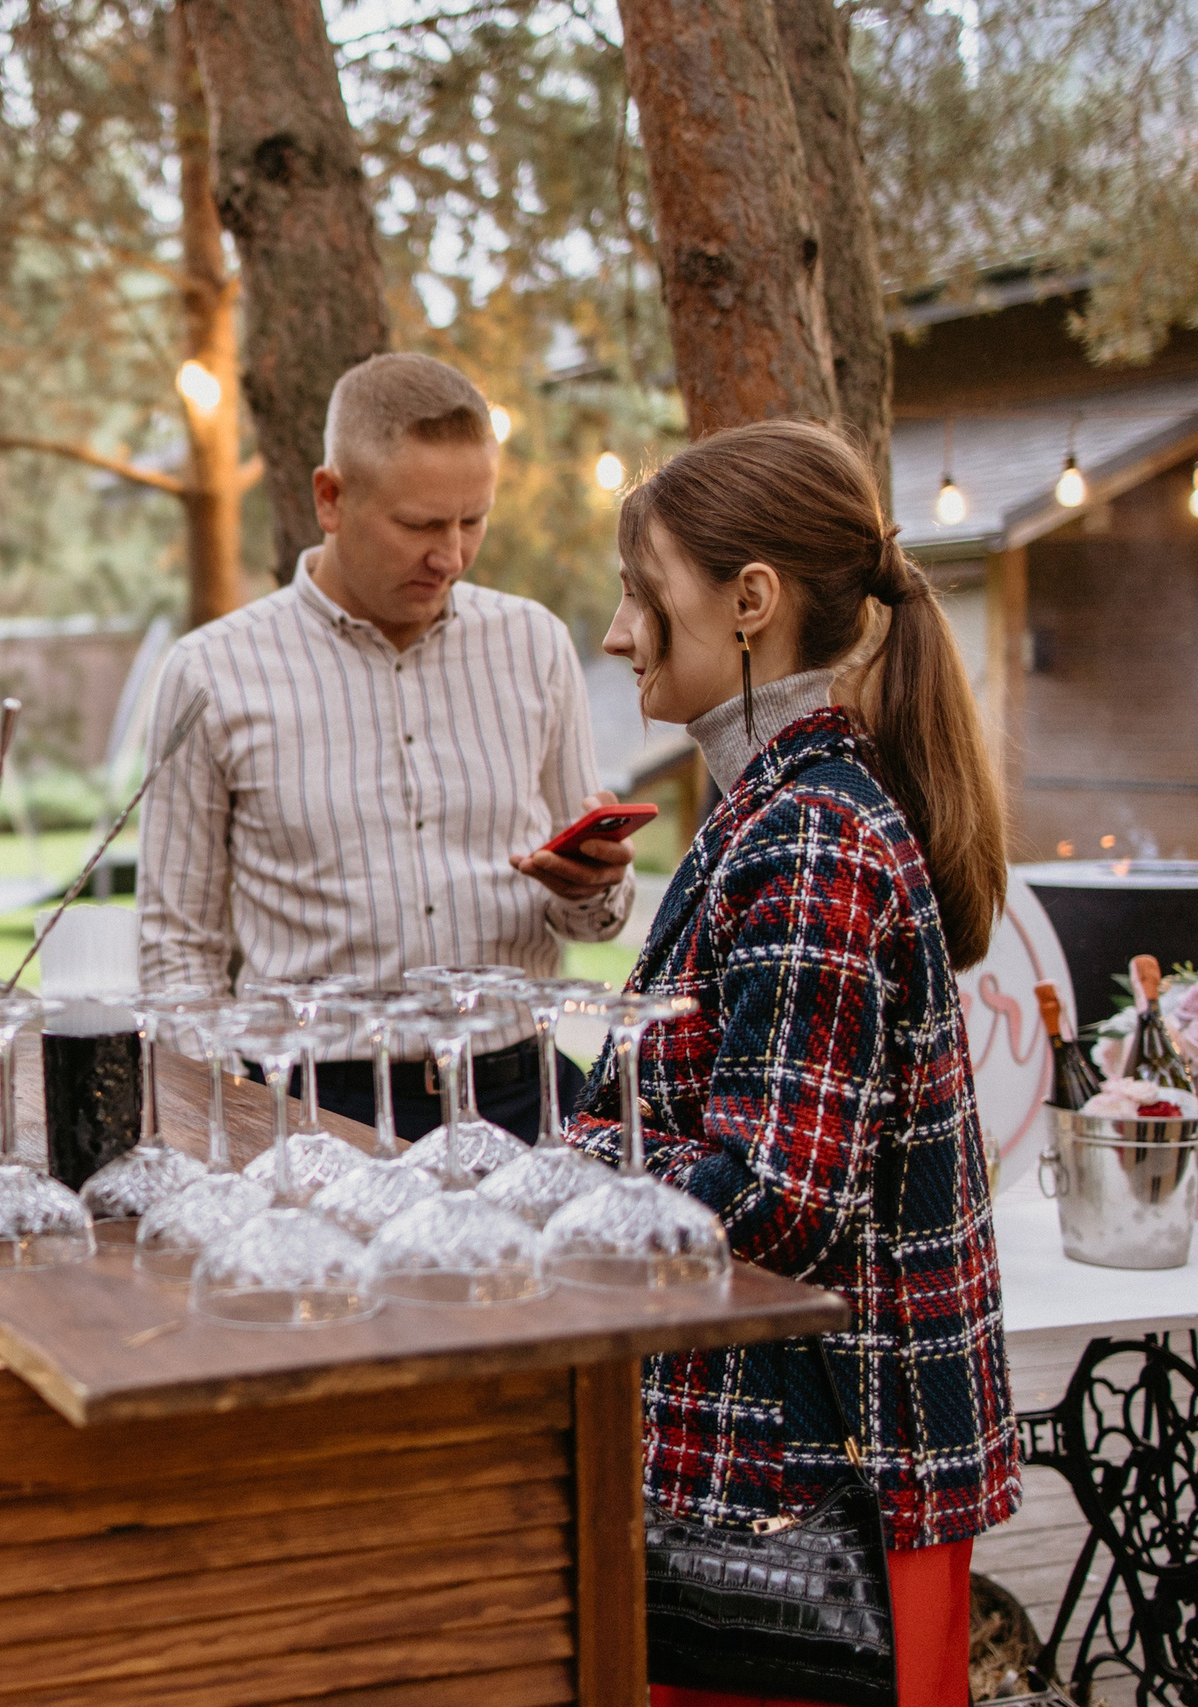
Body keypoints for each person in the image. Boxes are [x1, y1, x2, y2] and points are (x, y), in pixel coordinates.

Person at [562, 420, 1018, 1707]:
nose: (615, 634)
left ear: (748, 602)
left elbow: (775, 1199)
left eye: (638, 594)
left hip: (812, 1493)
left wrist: (552, 1171)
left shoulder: (809, 832)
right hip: (797, 1461)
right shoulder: (780, 804)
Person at [138, 352, 638, 1140]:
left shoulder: (535, 644)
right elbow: (178, 948)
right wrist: (222, 1122)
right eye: (419, 525)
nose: (452, 555)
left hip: (521, 1096)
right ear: (329, 498)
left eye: (473, 520)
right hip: (309, 1109)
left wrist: (590, 887)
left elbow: (595, 925)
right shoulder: (209, 672)